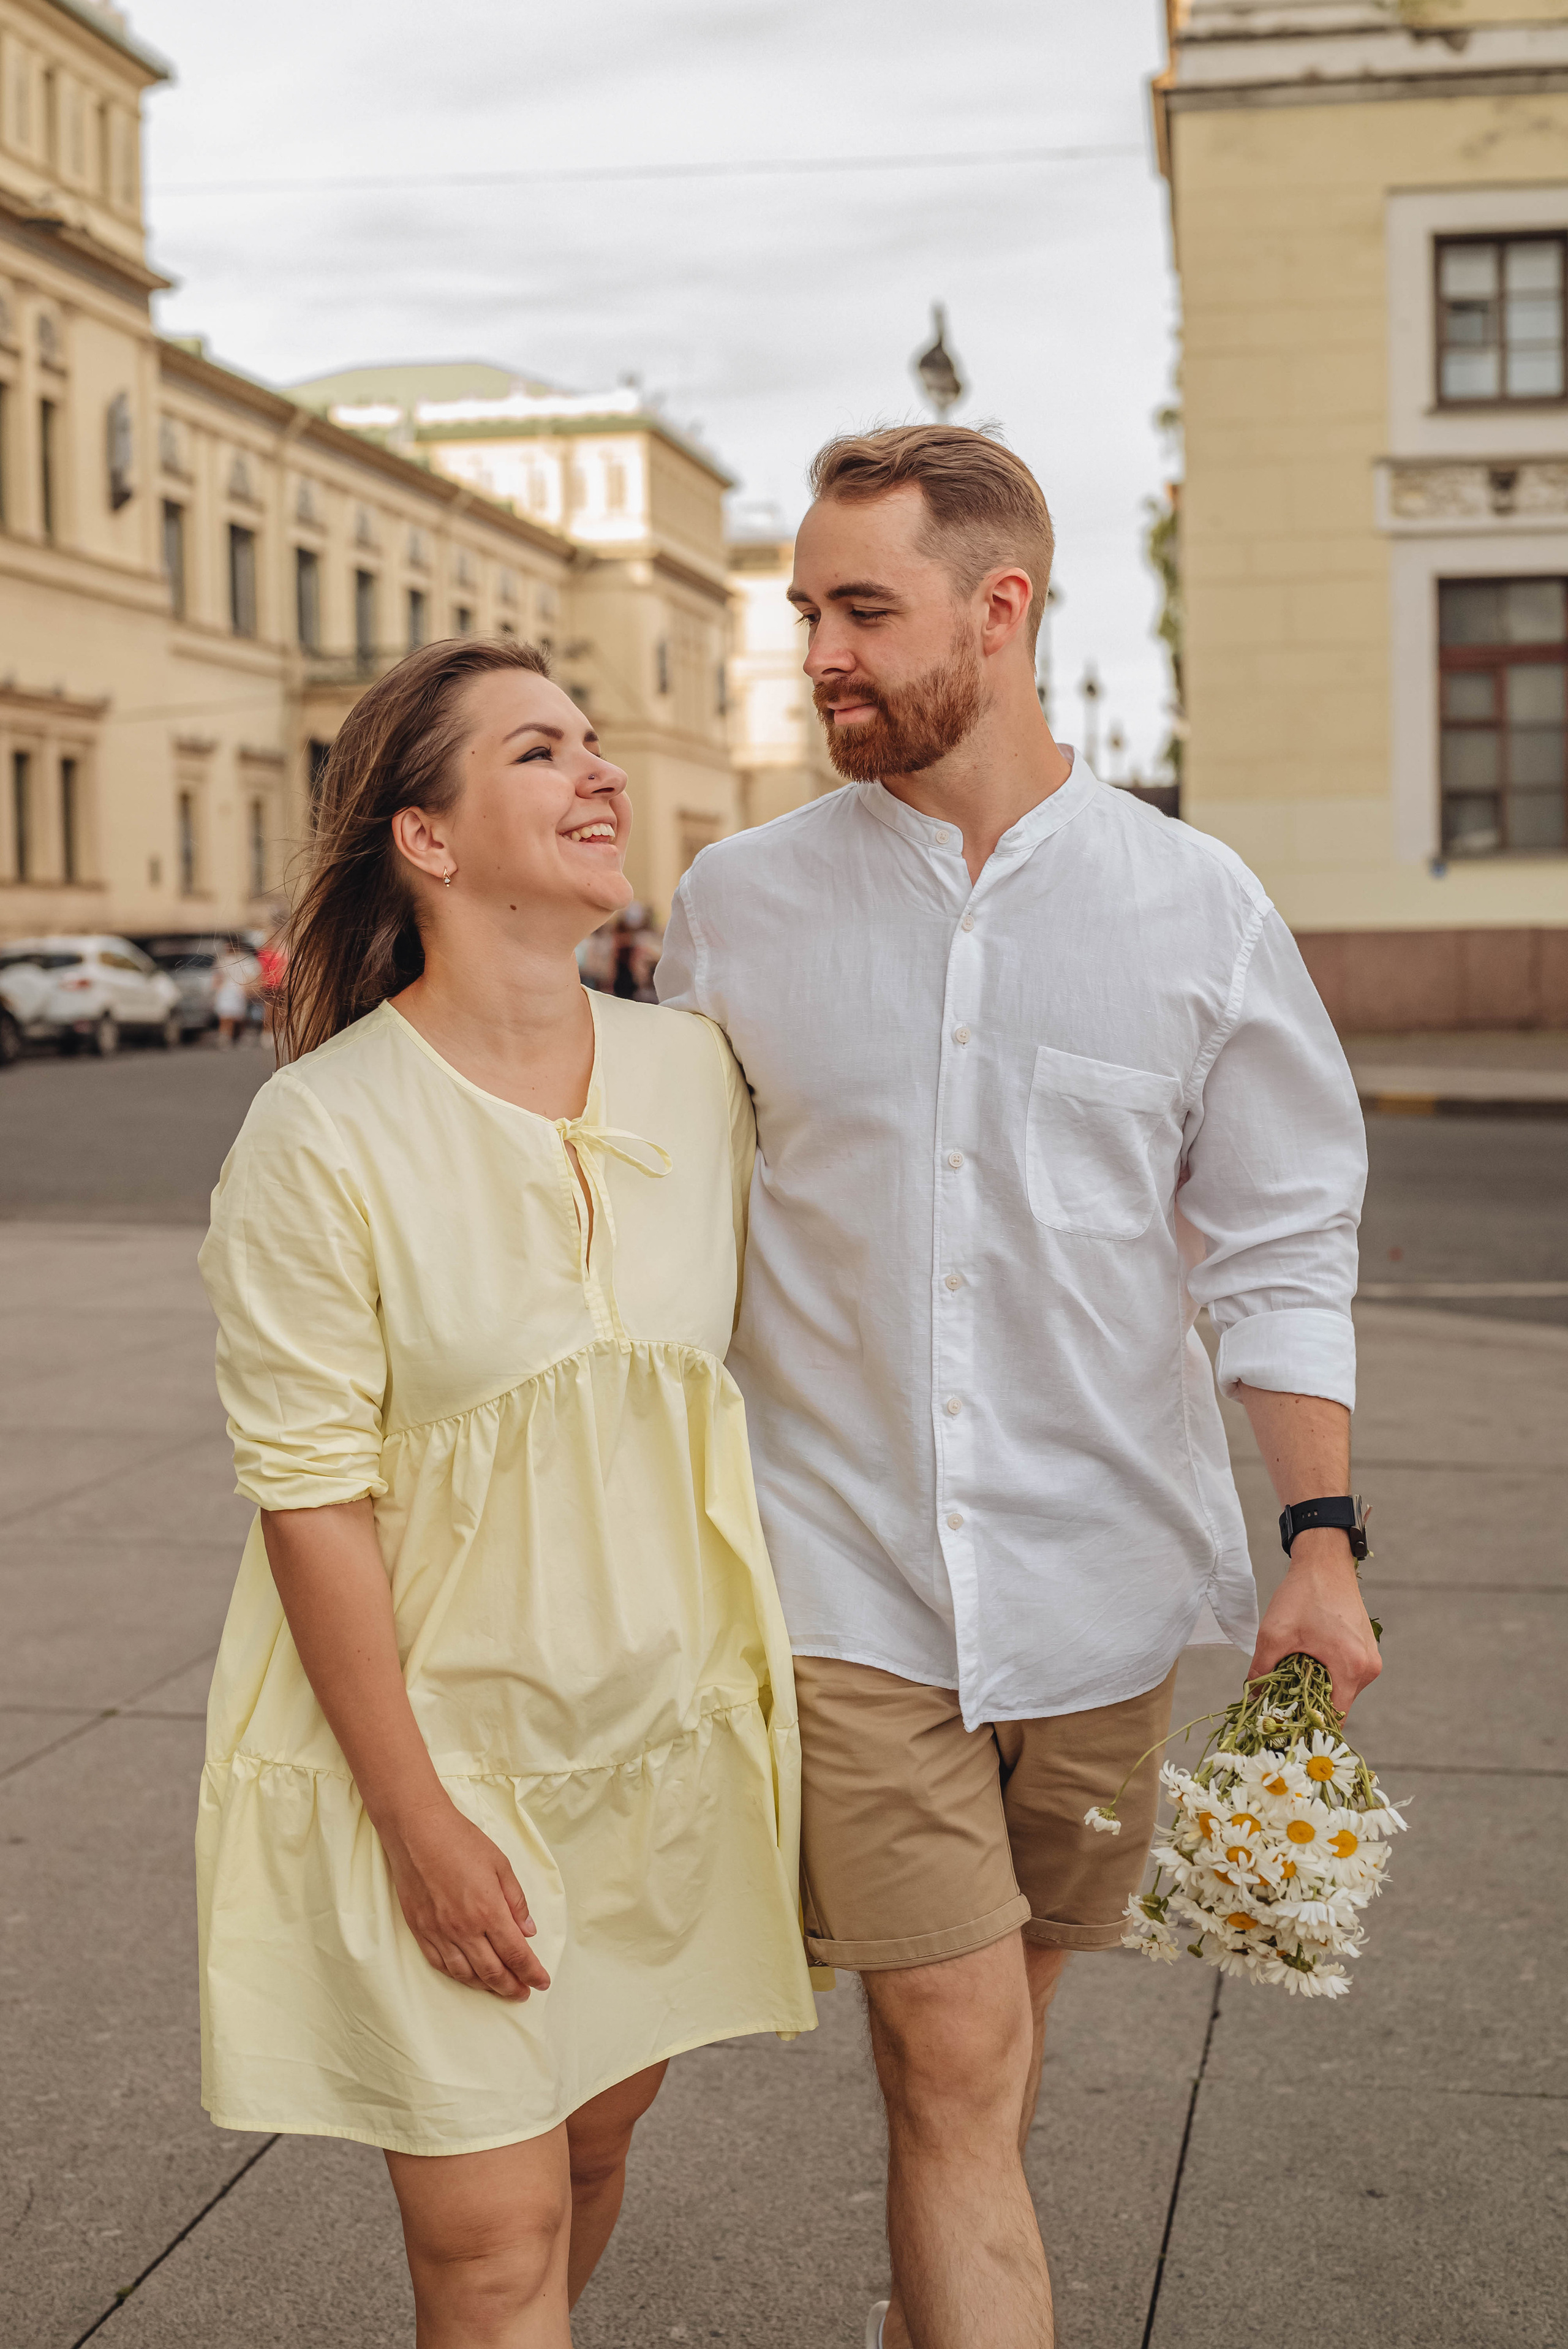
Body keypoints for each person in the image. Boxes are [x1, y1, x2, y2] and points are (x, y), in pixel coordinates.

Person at [656, 425, 1377, 2349]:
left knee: (996, 2050)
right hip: (843, 1578)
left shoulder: (1195, 907)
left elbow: (1282, 1237)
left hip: (1104, 1587)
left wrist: (1320, 1540)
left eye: (860, 609)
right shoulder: (736, 907)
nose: (817, 650)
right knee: (951, 2038)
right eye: (804, 609)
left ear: (1001, 609)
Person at [197, 637, 814, 2347]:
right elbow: (310, 1498)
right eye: (543, 751)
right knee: (486, 2235)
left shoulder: (698, 1074)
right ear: (431, 838)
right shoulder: (321, 1135)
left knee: (594, 2150)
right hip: (438, 1749)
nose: (601, 773)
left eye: (596, 741)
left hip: (661, 1744)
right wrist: (417, 1819)